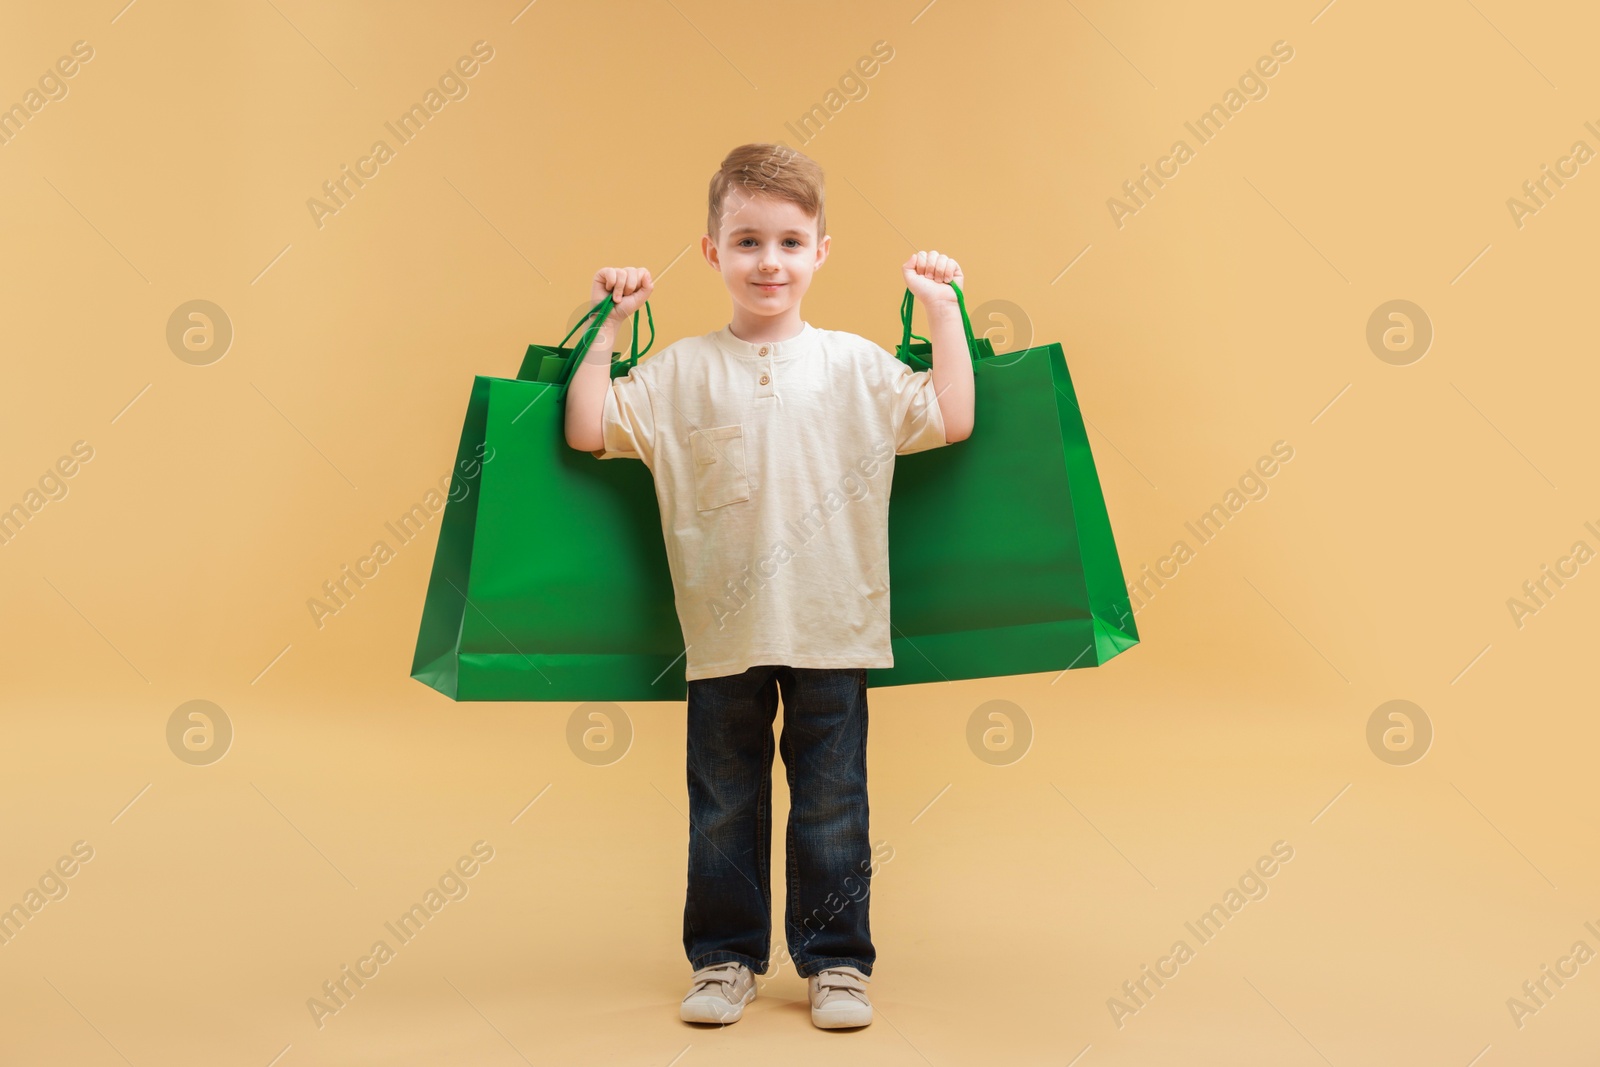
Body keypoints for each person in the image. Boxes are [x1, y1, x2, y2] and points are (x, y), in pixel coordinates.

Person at [563, 142, 975, 1029]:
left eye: (790, 242)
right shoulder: (676, 372)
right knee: (723, 801)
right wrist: (609, 320)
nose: (769, 262)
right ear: (712, 252)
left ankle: (836, 964)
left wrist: (943, 313)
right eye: (747, 241)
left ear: (822, 251)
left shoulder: (859, 365)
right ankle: (723, 958)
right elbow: (589, 426)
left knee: (832, 801)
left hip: (835, 624)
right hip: (722, 633)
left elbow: (952, 414)